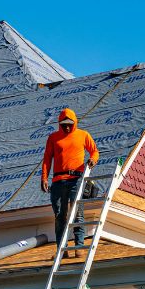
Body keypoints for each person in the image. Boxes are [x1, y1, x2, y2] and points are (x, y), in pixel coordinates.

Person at [40, 108, 99, 253]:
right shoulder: (53, 138)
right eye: (64, 124)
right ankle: (62, 249)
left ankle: (79, 246)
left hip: (76, 179)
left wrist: (92, 160)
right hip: (58, 181)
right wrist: (44, 177)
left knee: (77, 212)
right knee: (60, 215)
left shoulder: (83, 135)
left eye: (69, 124)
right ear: (60, 124)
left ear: (74, 123)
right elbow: (47, 159)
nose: (67, 127)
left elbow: (95, 151)